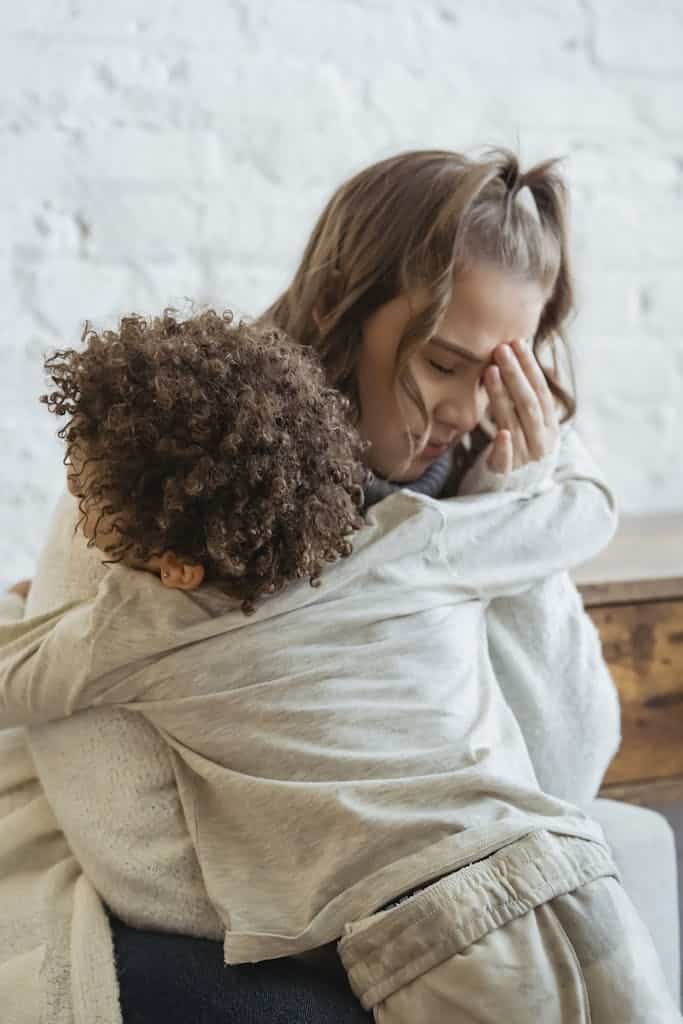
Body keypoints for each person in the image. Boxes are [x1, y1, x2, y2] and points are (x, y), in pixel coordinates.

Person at [0, 147, 651, 1023]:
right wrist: (325, 903)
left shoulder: (488, 478)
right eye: (441, 363)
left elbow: (564, 772)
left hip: (413, 900)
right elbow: (132, 849)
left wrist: (512, 510)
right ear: (333, 309)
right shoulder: (172, 478)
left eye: (501, 370)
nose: (467, 412)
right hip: (243, 918)